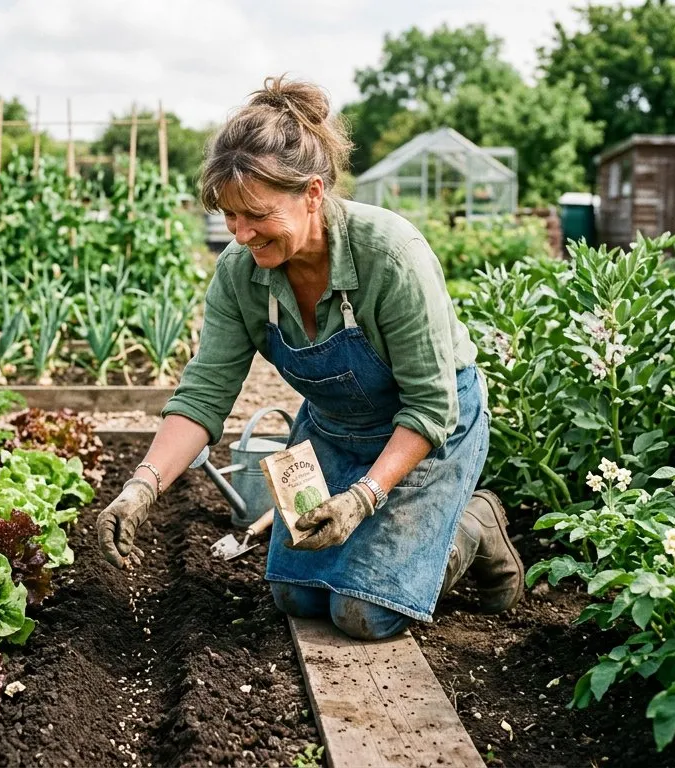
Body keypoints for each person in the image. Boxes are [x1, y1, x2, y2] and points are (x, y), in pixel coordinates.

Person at [96, 75, 524, 641]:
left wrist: (364, 498)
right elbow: (204, 394)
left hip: (426, 435)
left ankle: (474, 524)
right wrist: (142, 485)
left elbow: (429, 404)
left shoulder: (389, 255)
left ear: (314, 194)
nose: (242, 233)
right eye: (229, 214)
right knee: (295, 597)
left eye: (257, 214)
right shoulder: (240, 274)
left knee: (363, 613)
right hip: (334, 431)